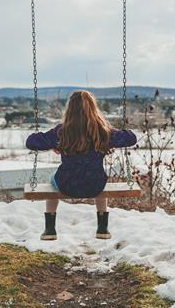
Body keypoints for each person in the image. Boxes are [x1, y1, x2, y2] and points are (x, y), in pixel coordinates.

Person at [26, 90, 137, 241]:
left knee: (52, 180)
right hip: (94, 185)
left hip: (67, 184)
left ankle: (50, 229)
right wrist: (118, 133)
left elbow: (31, 142)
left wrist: (52, 142)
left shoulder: (62, 131)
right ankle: (102, 228)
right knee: (99, 179)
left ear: (70, 109)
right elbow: (131, 138)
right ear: (93, 108)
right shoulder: (102, 131)